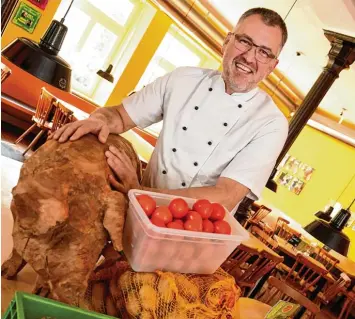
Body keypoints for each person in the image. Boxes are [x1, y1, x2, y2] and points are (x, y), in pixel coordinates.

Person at [51, 7, 288, 213]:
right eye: (244, 41)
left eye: (264, 52)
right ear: (227, 41)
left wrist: (140, 192)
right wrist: (99, 119)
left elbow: (226, 195)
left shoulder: (271, 124)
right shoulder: (183, 79)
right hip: (135, 207)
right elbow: (121, 116)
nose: (249, 57)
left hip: (191, 230)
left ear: (272, 66)